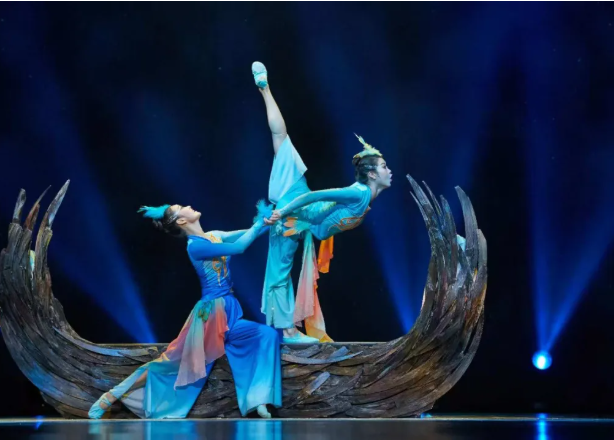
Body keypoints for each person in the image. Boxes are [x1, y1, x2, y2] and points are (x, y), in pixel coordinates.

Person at [88, 204, 281, 419]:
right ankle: (111, 396)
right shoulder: (195, 247)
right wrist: (260, 225)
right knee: (169, 362)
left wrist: (272, 219)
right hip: (210, 315)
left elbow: (248, 233)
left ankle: (259, 399)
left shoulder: (214, 235)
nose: (189, 206)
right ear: (181, 221)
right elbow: (239, 247)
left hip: (230, 311)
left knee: (267, 335)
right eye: (182, 208)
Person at [252, 61, 393, 343]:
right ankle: (288, 332)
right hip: (294, 210)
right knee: (279, 272)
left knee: (281, 138)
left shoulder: (364, 198)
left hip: (299, 209)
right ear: (371, 174)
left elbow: (323, 220)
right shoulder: (358, 193)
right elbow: (315, 196)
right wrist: (282, 212)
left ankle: (264, 88)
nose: (389, 171)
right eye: (384, 166)